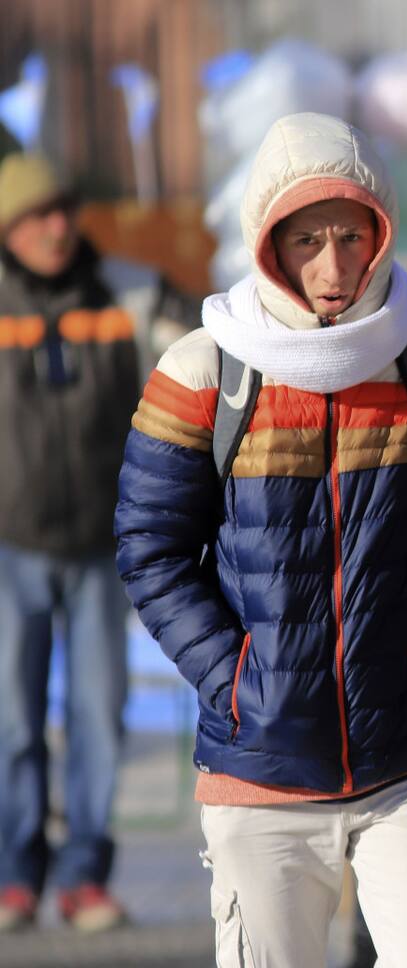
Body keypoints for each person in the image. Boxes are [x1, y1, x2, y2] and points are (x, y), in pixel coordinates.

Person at [113, 112, 407, 967]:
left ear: (383, 230)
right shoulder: (205, 368)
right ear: (266, 244)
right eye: (306, 239)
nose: (332, 267)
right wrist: (240, 680)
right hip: (258, 773)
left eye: (352, 235)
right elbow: (150, 549)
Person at [0, 153, 189, 933]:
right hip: (8, 547)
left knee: (99, 714)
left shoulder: (133, 293)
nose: (55, 226)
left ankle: (84, 875)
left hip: (104, 548)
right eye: (36, 215)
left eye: (64, 209)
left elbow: (197, 372)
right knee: (10, 719)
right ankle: (13, 876)